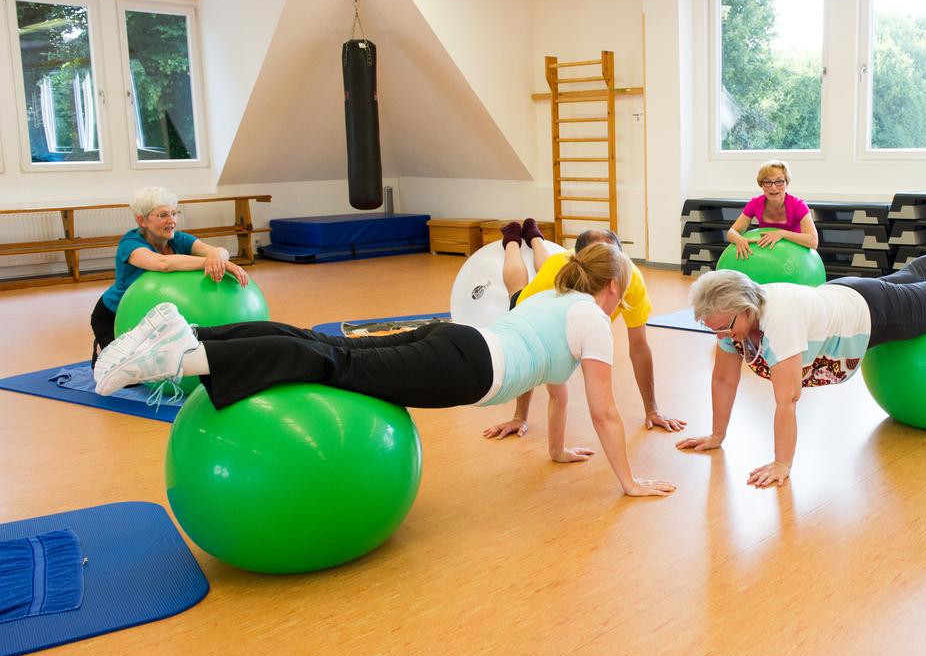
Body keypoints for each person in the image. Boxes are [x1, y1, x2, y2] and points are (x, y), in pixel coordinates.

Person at [93, 242, 676, 499]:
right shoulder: (594, 320)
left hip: (454, 339)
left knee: (322, 346)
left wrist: (553, 451)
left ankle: (193, 334)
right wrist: (629, 482)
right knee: (327, 360)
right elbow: (603, 409)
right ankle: (184, 355)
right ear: (613, 287)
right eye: (622, 293)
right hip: (466, 366)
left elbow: (557, 389)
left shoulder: (554, 301)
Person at [676, 241, 926, 489]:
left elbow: (786, 399)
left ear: (745, 308)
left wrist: (781, 464)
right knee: (912, 281)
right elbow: (724, 380)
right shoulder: (732, 320)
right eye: (712, 328)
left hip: (875, 314)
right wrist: (717, 436)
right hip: (847, 293)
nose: (721, 335)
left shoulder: (779, 321)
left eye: (724, 327)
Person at [482, 220, 686, 439]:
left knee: (545, 263)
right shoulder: (556, 272)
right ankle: (512, 239)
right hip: (534, 306)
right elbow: (528, 346)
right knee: (516, 288)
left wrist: (652, 410)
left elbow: (639, 348)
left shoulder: (630, 279)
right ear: (579, 263)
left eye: (611, 261)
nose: (608, 272)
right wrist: (519, 416)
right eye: (598, 263)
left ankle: (535, 237)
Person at [90, 187, 249, 366]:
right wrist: (210, 262)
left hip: (152, 316)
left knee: (153, 368)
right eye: (163, 215)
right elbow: (162, 264)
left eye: (174, 213)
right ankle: (102, 347)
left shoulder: (178, 239)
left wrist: (218, 258)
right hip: (114, 314)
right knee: (126, 376)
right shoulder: (130, 243)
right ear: (141, 220)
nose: (172, 220)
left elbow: (219, 251)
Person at [724, 160, 818, 260]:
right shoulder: (755, 204)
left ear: (787, 183)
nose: (773, 188)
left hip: (795, 259)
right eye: (767, 182)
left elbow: (813, 241)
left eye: (779, 182)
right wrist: (739, 239)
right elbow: (732, 232)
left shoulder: (798, 205)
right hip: (768, 258)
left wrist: (781, 233)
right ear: (761, 184)